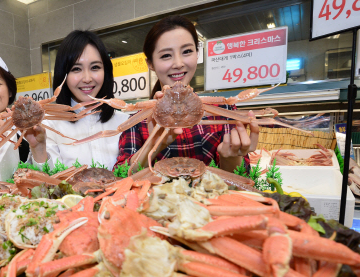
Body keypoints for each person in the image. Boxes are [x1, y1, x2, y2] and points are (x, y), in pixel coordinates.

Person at [114, 15, 259, 173]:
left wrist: (231, 157)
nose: (178, 63)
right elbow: (121, 175)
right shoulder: (137, 120)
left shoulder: (224, 110)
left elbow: (242, 178)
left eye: (187, 51)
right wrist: (152, 145)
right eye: (166, 55)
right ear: (150, 64)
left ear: (197, 54)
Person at [25, 30, 129, 170]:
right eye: (76, 69)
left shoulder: (127, 122)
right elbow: (48, 185)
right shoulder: (49, 126)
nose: (87, 78)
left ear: (106, 71)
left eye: (95, 67)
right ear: (63, 75)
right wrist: (38, 149)